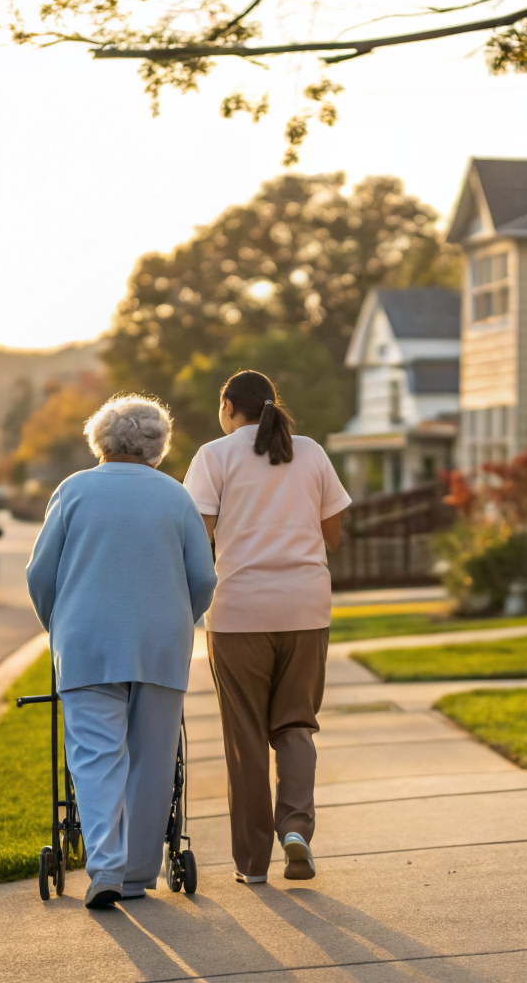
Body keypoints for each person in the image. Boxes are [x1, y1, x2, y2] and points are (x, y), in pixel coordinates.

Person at [26, 395, 216, 910]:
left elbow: (39, 575)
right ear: (157, 445)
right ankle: (135, 875)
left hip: (86, 642)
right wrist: (180, 616)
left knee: (94, 757)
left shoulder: (74, 491)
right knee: (154, 759)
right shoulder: (175, 497)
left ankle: (104, 867)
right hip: (160, 643)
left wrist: (58, 625)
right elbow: (204, 578)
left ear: (100, 440)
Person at [183, 370, 351, 883]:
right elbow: (334, 535)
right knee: (296, 726)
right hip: (305, 610)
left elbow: (197, 538)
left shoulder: (214, 456)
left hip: (239, 616)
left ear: (229, 406)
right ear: (272, 405)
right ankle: (296, 829)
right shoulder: (312, 452)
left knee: (247, 739)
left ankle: (253, 865)